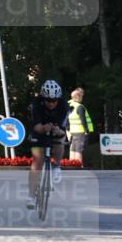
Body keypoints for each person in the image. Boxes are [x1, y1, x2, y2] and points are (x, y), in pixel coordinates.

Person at [27, 80, 70, 209]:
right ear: (43, 98)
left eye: (54, 100)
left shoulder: (64, 106)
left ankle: (56, 166)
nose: (51, 103)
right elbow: (37, 126)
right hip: (39, 130)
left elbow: (63, 129)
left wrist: (58, 130)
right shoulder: (37, 104)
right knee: (37, 162)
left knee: (60, 140)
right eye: (48, 100)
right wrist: (44, 128)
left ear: (58, 99)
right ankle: (31, 196)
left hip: (56, 129)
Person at [66, 87, 94, 165]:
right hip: (80, 131)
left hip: (72, 131)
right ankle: (78, 166)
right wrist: (86, 130)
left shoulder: (70, 105)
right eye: (81, 96)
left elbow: (67, 120)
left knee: (72, 149)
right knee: (79, 149)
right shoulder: (80, 107)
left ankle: (71, 165)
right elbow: (83, 120)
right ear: (79, 97)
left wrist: (68, 129)